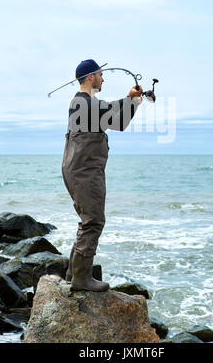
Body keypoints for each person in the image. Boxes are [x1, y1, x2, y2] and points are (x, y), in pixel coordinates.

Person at [62, 59, 143, 292]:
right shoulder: (82, 103)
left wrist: (134, 101)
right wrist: (131, 99)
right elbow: (114, 114)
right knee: (94, 221)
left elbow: (117, 120)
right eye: (100, 74)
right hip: (84, 171)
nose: (103, 78)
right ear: (90, 77)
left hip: (82, 169)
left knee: (88, 220)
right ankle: (81, 279)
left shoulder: (87, 104)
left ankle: (72, 274)